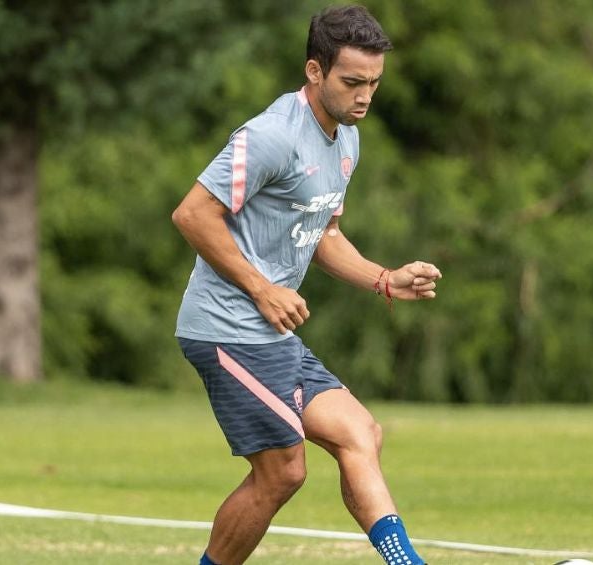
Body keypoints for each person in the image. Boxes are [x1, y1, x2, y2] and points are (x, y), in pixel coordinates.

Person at [171, 6, 441, 565]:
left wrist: (384, 279)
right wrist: (262, 287)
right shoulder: (271, 136)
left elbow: (322, 232)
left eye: (373, 83)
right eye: (352, 82)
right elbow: (193, 215)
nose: (365, 95)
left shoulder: (346, 140)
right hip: (227, 329)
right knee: (283, 472)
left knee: (360, 434)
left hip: (272, 334)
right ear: (315, 72)